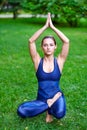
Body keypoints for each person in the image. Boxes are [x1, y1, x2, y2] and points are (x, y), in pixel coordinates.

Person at [17, 13, 69, 123]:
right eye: (45, 45)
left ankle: (50, 108)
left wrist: (53, 27)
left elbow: (66, 41)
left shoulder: (59, 61)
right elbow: (31, 41)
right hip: (42, 99)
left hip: (56, 96)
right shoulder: (37, 61)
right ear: (42, 47)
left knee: (60, 114)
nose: (48, 47)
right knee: (21, 111)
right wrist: (45, 26)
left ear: (55, 47)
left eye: (51, 45)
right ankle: (48, 106)